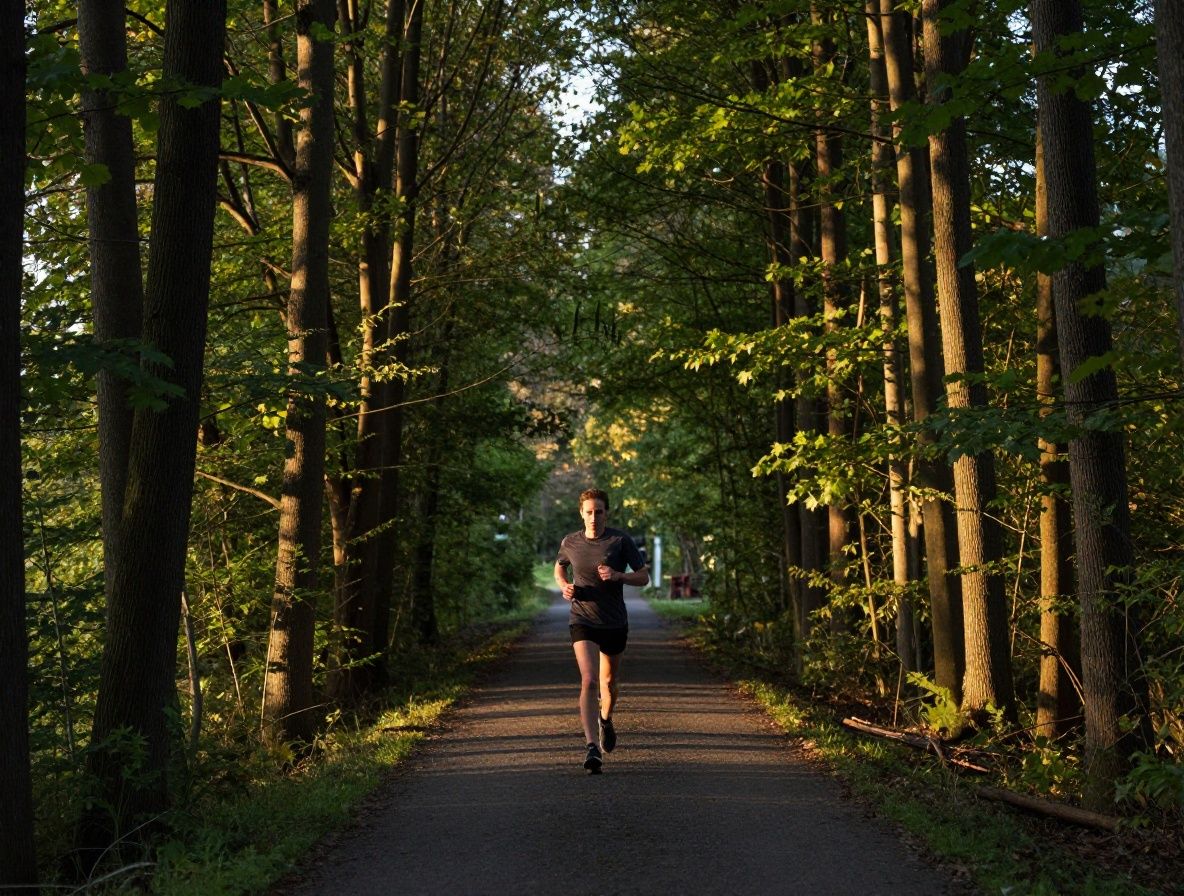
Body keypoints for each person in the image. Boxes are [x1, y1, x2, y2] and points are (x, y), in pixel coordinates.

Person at [554, 488, 650, 773]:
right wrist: (564, 586)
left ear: (606, 513)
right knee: (589, 680)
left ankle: (605, 719)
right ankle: (592, 747)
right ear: (581, 514)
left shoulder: (620, 541)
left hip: (614, 622)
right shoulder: (570, 542)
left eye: (599, 512)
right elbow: (559, 568)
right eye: (589, 512)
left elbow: (643, 576)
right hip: (582, 619)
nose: (594, 517)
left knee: (608, 683)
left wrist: (618, 575)